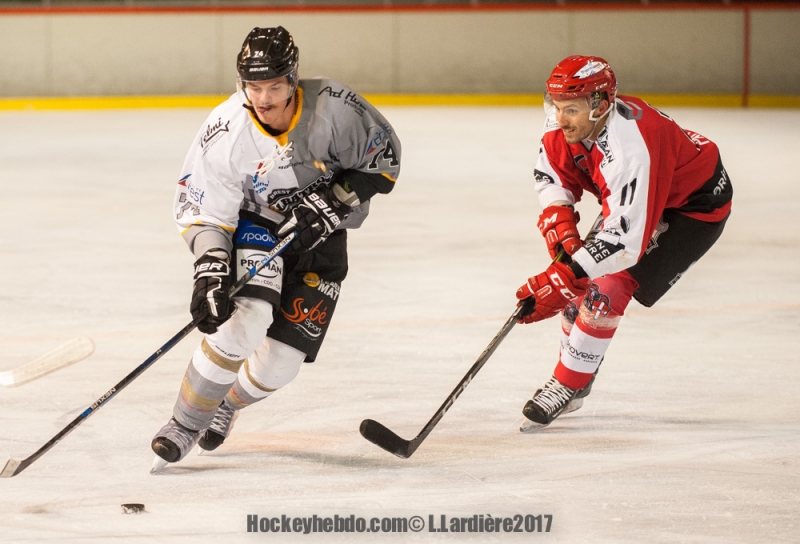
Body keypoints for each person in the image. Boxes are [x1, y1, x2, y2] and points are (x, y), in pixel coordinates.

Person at [151, 26, 401, 465]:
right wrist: (210, 266)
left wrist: (334, 202)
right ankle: (185, 424)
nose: (263, 99)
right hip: (257, 223)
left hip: (323, 237)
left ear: (293, 80)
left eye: (274, 86)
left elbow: (385, 162)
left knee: (281, 364)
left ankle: (224, 405)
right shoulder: (226, 129)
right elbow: (204, 209)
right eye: (253, 86)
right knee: (245, 321)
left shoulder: (336, 109)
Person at [515, 55, 732, 431]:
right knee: (577, 282)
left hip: (694, 205)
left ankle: (568, 384)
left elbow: (623, 243)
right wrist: (562, 231)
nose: (559, 118)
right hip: (648, 192)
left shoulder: (630, 147)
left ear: (600, 104)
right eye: (556, 106)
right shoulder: (568, 120)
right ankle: (578, 375)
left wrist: (563, 275)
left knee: (607, 284)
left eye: (571, 109)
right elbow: (550, 176)